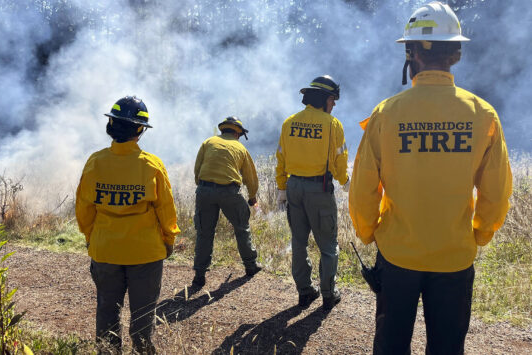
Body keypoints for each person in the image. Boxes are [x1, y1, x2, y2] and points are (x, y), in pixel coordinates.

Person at [348, 2, 512, 354]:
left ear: (411, 52)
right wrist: (479, 234)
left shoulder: (386, 113)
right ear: (456, 52)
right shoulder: (483, 115)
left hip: (397, 258)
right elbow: (495, 194)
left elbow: (363, 189)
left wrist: (368, 231)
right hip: (454, 258)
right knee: (447, 348)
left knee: (391, 346)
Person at [76, 96, 180, 354]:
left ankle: (107, 350)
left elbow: (84, 209)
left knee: (107, 309)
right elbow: (166, 210)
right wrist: (169, 240)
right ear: (139, 129)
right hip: (145, 253)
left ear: (111, 125)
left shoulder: (95, 162)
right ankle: (143, 350)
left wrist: (93, 238)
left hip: (105, 250)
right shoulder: (151, 165)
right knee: (143, 313)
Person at [275, 75, 349, 311]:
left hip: (294, 187)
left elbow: (280, 158)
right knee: (328, 245)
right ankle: (328, 294)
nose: (334, 104)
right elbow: (339, 160)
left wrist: (281, 189)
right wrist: (346, 182)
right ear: (324, 99)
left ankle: (305, 292)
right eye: (333, 99)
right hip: (319, 189)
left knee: (299, 242)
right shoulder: (332, 124)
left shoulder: (289, 123)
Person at [192, 116, 262, 287]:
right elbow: (251, 178)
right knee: (242, 228)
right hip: (229, 192)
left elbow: (197, 169)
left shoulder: (208, 142)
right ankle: (251, 266)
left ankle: (199, 275)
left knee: (204, 232)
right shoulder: (240, 148)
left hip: (204, 190)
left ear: (223, 129)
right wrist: (252, 197)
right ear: (238, 133)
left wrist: (204, 188)